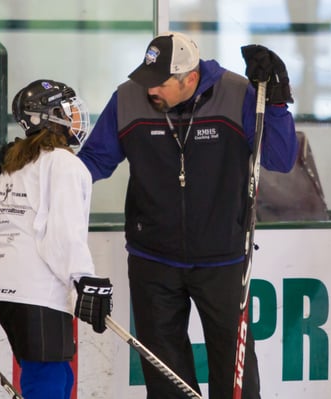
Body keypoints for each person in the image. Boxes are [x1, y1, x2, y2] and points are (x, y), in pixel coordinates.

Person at [78, 31, 298, 398]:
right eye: (145, 79)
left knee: (235, 372)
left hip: (224, 258)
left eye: (159, 84)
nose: (150, 91)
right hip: (152, 258)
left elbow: (279, 158)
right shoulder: (127, 98)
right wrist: (42, 170)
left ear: (190, 78)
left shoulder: (237, 93)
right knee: (165, 377)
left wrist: (275, 106)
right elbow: (93, 162)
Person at [0, 79, 113, 399]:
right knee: (46, 377)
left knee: (57, 373)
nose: (76, 116)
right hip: (37, 288)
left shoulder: (18, 162)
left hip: (3, 288)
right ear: (48, 117)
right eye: (68, 109)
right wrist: (83, 279)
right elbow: (63, 233)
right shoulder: (65, 164)